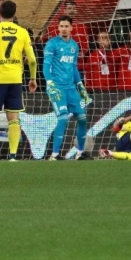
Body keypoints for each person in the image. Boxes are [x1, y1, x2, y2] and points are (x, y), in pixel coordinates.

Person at [0, 0, 37, 161]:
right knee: (14, 118)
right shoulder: (22, 32)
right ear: (14, 14)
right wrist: (32, 78)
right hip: (15, 79)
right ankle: (13, 156)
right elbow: (32, 60)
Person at [43, 16, 90, 160]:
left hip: (71, 89)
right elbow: (46, 66)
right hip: (57, 88)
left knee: (82, 119)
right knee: (63, 118)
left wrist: (80, 86)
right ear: (58, 28)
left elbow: (74, 68)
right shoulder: (52, 44)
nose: (63, 29)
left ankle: (80, 153)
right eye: (61, 26)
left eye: (66, 26)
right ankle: (55, 155)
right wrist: (50, 84)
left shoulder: (74, 45)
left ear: (71, 28)